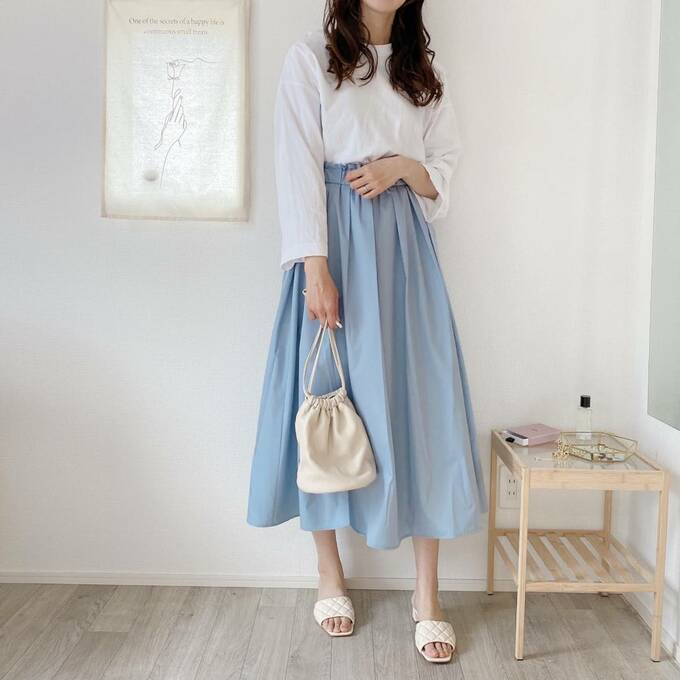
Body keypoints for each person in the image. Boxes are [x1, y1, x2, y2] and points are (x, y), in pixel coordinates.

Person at [247, 0, 487, 663]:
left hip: (404, 252)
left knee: (423, 407)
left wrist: (402, 167)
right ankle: (329, 574)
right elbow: (296, 165)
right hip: (333, 249)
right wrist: (314, 268)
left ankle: (428, 594)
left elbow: (443, 171)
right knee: (324, 402)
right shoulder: (312, 59)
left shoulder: (423, 72)